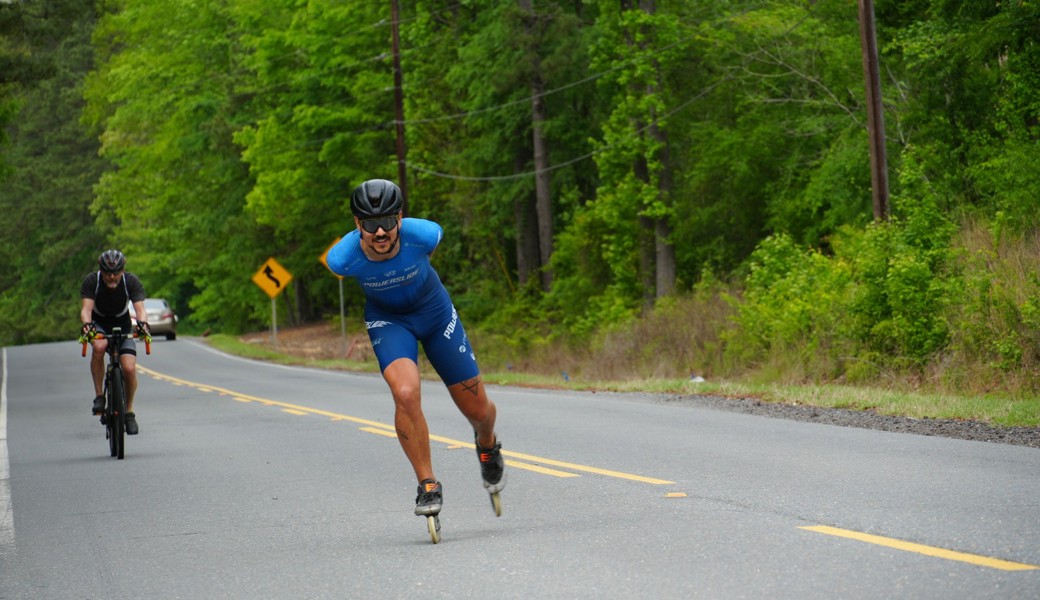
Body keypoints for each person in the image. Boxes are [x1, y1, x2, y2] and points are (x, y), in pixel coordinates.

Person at [324, 179, 505, 517]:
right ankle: (427, 484)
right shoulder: (341, 259)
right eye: (371, 225)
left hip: (434, 311)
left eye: (389, 223)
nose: (381, 233)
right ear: (357, 225)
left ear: (401, 219)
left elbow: (425, 253)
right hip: (389, 320)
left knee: (478, 411)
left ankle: (487, 445)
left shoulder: (425, 234)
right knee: (405, 392)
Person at [80, 249, 151, 435]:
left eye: (116, 272)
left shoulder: (131, 281)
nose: (112, 277)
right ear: (100, 270)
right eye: (107, 273)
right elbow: (86, 310)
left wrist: (142, 324)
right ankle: (99, 397)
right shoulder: (92, 281)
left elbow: (140, 309)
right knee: (100, 345)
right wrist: (87, 326)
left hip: (123, 324)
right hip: (100, 323)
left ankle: (128, 412)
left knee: (128, 368)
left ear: (123, 270)